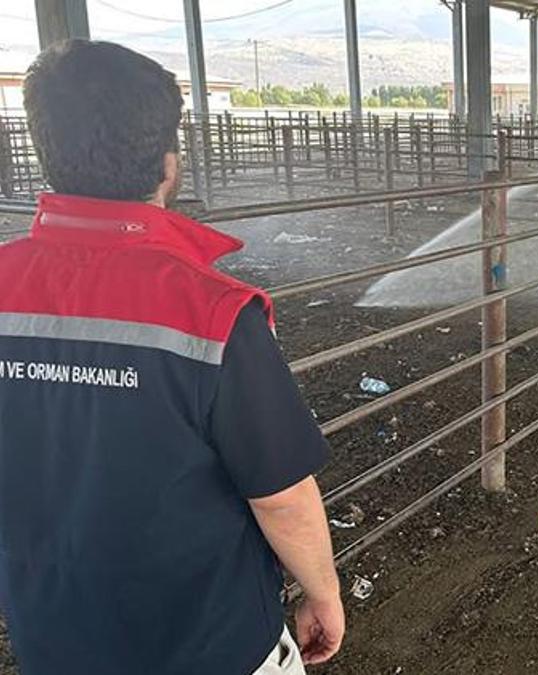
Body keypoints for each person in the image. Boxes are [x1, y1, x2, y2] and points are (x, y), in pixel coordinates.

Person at [0, 41, 342, 675]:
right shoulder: (212, 311)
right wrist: (323, 592)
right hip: (211, 644)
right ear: (168, 161)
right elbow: (282, 495)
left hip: (53, 640)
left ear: (46, 151)